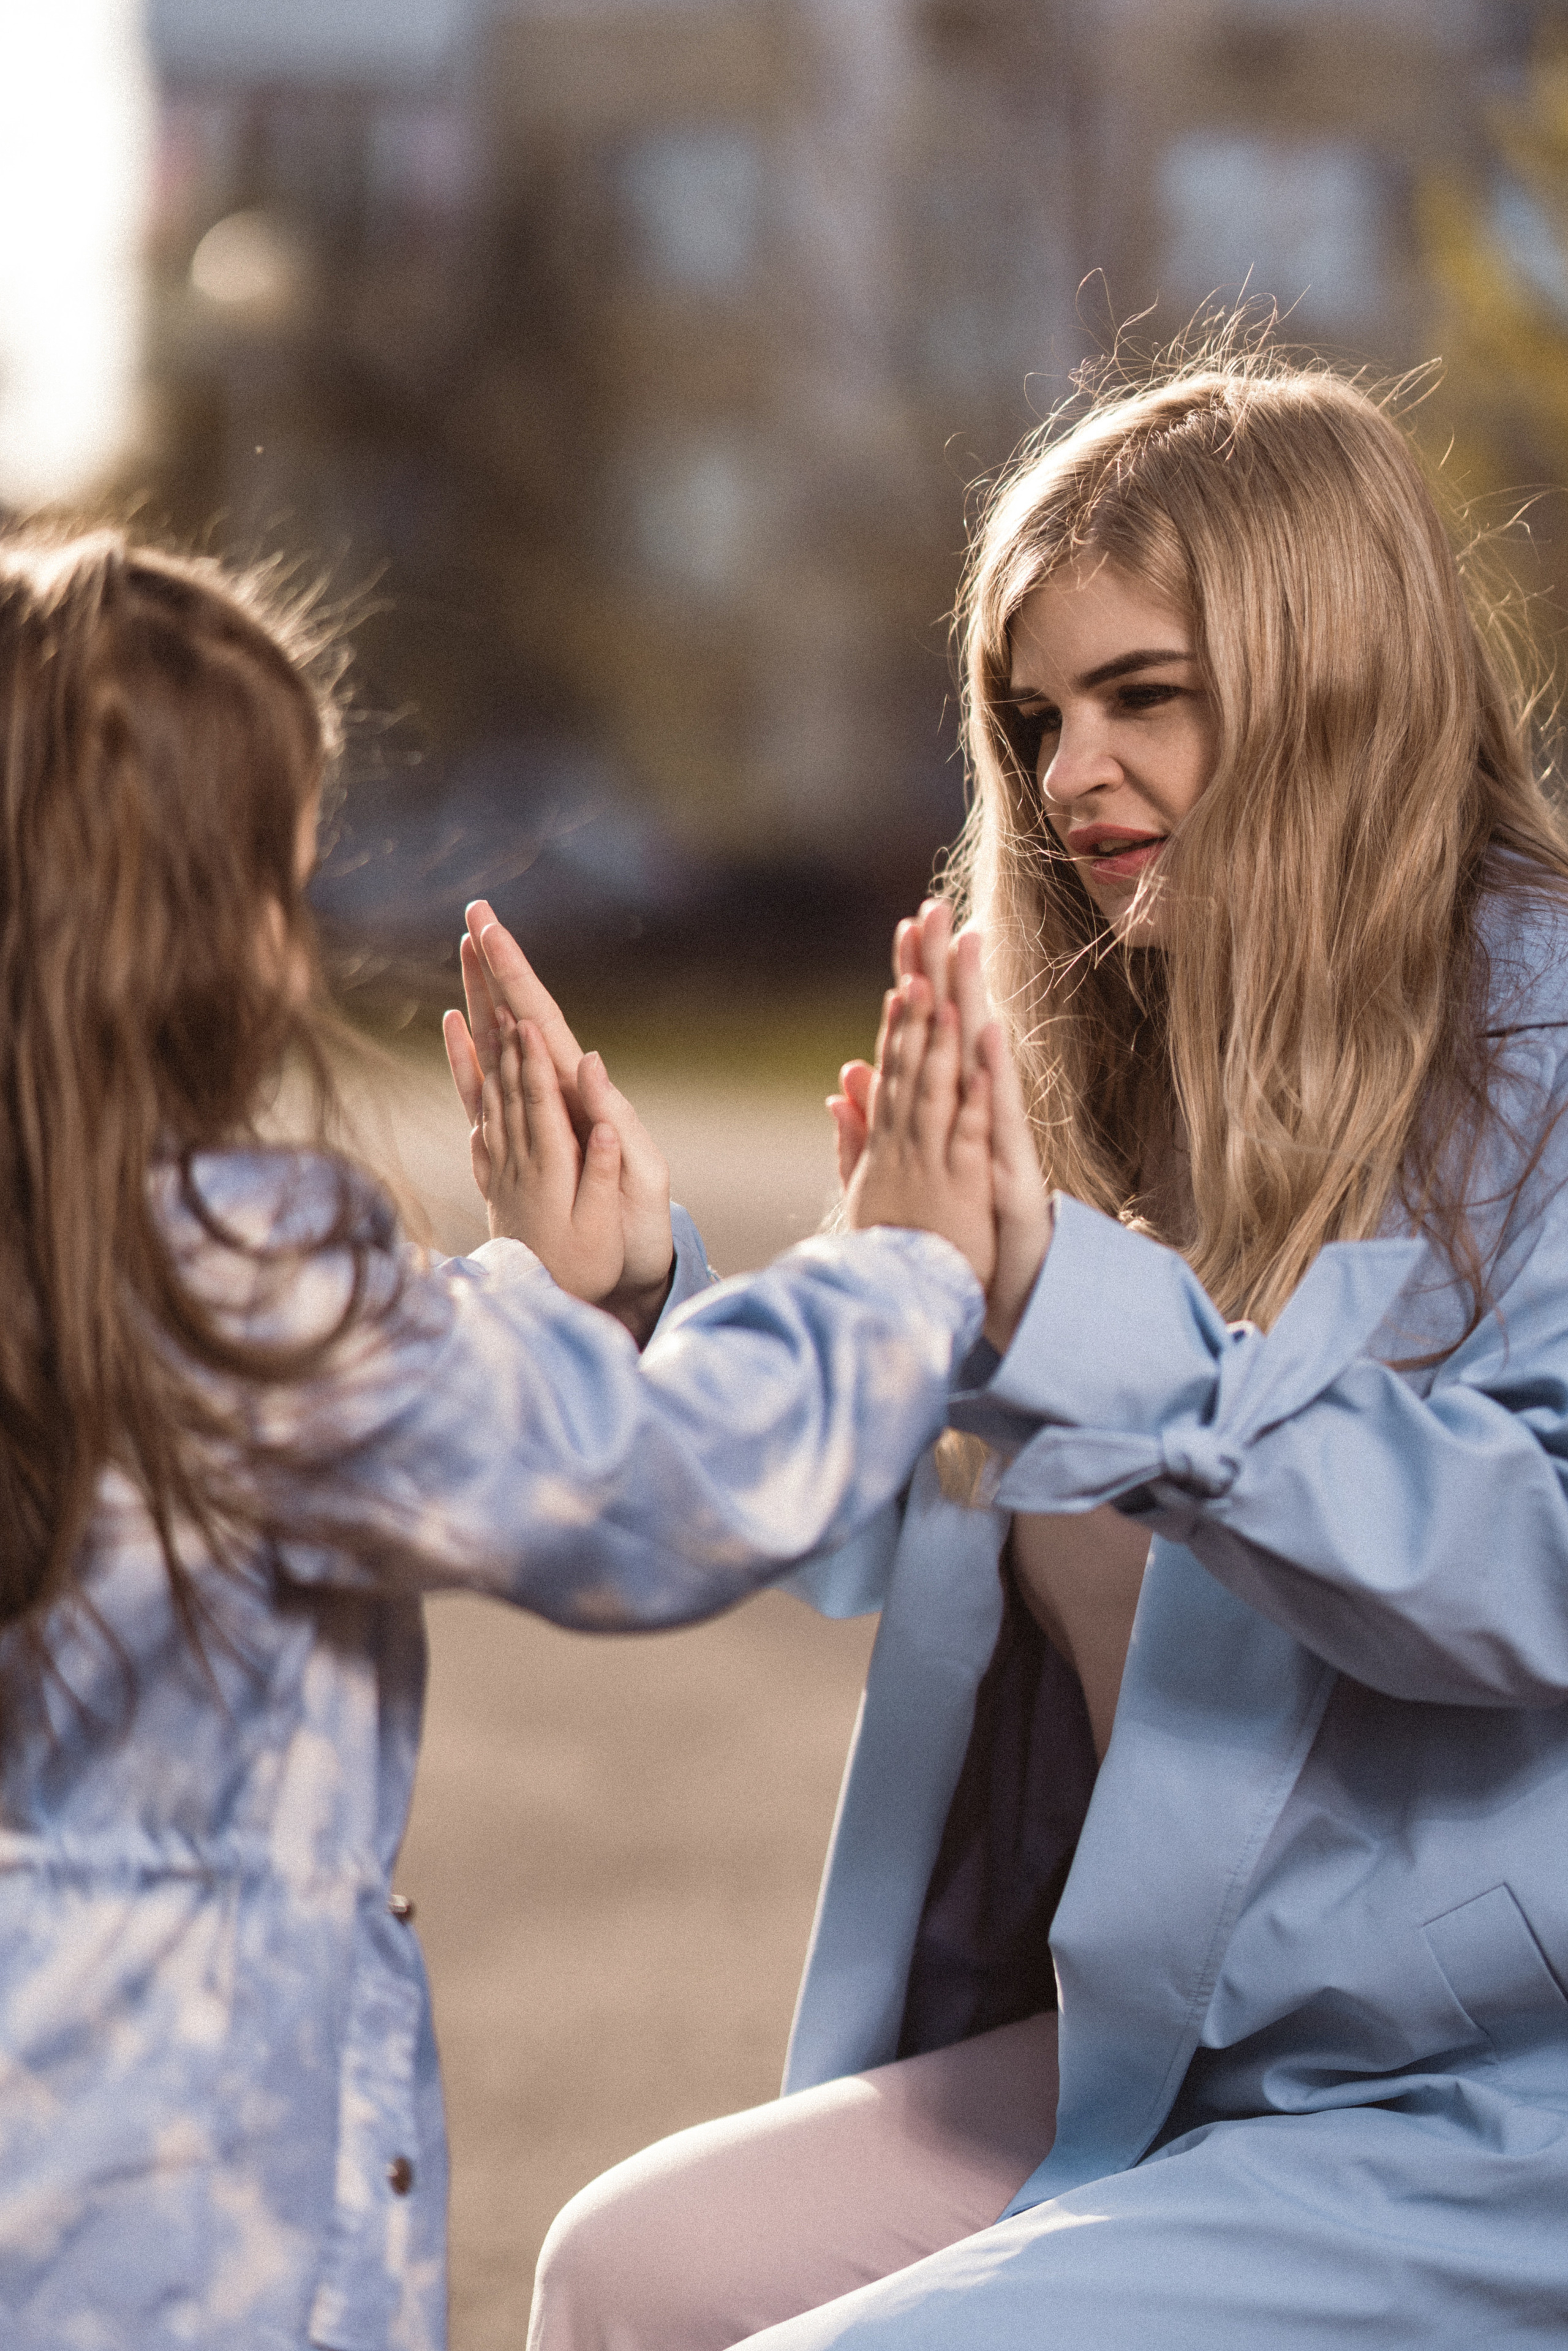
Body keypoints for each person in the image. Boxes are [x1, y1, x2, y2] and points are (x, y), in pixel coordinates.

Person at [518, 340, 1568, 2348]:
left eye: (1141, 696)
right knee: (621, 2276)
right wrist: (639, 1306)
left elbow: (1534, 1563)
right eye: (1035, 715)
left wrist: (1060, 1313)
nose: (1068, 772)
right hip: (1179, 2035)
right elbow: (915, 1536)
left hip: (1489, 2090)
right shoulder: (1109, 1063)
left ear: (1331, 674)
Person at [0, 526, 1047, 2351]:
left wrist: (544, 1292)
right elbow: (653, 1491)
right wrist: (900, 1273)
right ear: (201, 927)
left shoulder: (112, 1274)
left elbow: (368, 1404)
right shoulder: (252, 1291)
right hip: (185, 2217)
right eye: (283, 878)